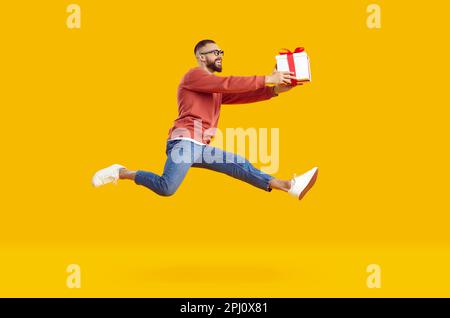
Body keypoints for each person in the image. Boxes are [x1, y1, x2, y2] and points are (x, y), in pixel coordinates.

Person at [92, 40, 318, 201]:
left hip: (201, 146)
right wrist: (266, 78)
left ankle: (289, 185)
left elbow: (236, 94)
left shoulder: (214, 88)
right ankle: (121, 172)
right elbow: (228, 83)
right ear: (201, 57)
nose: (219, 55)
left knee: (241, 166)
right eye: (214, 52)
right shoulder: (193, 76)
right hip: (183, 142)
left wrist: (274, 90)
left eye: (221, 52)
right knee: (167, 188)